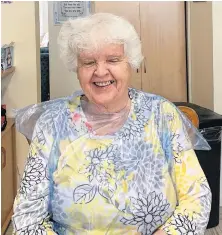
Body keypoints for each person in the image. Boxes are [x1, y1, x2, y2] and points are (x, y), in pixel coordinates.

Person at [12, 13, 212, 235]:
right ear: (76, 68)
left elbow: (197, 196)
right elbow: (28, 216)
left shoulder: (161, 114)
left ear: (131, 63)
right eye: (88, 62)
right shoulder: (52, 124)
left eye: (113, 60)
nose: (100, 71)